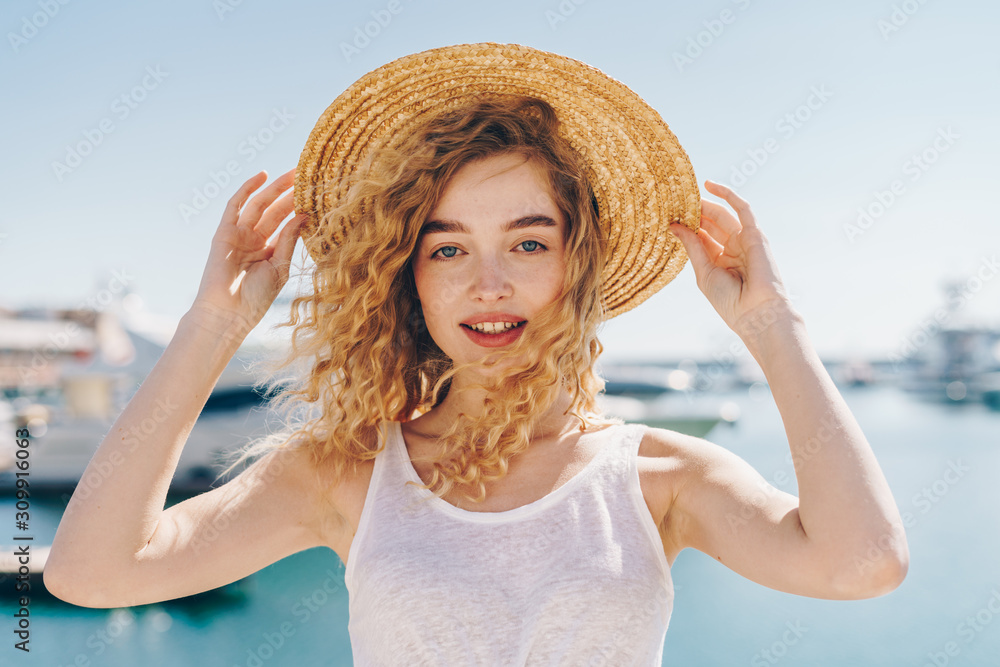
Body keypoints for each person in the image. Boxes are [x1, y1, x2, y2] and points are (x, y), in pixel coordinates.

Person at [44, 44, 909, 665]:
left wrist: (774, 324)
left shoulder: (659, 476)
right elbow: (90, 572)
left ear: (578, 263)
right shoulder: (346, 472)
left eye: (529, 244)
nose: (487, 283)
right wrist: (211, 327)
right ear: (409, 276)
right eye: (448, 248)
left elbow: (861, 563)